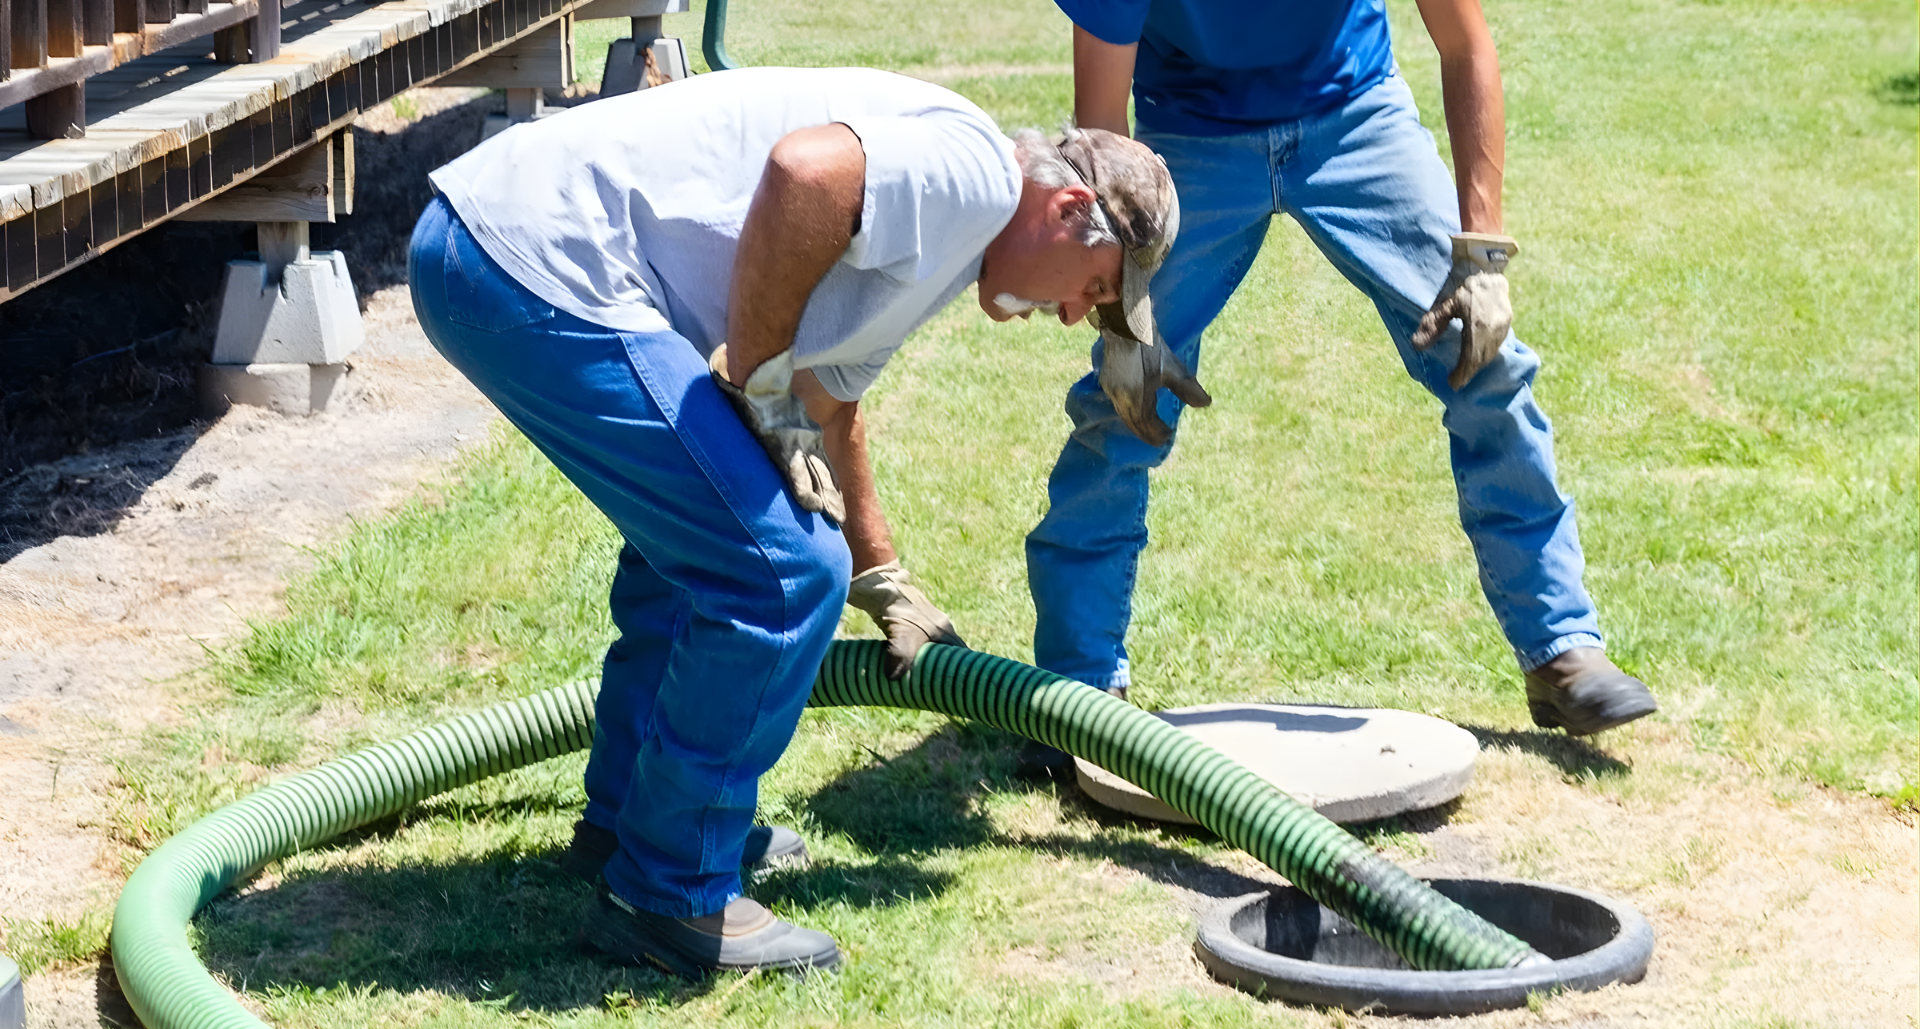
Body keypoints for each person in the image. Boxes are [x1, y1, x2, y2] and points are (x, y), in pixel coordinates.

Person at [409, 66, 1180, 975]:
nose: (1066, 315)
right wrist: (755, 379)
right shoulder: (976, 172)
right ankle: (671, 887)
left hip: (495, 241)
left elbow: (827, 404)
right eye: (1091, 288)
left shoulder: (953, 237)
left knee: (701, 550)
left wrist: (880, 573)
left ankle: (627, 822)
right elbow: (807, 173)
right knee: (776, 572)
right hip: (532, 258)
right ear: (1068, 208)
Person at [1021, 0, 1656, 772]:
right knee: (1124, 400)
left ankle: (1564, 652)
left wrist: (1481, 253)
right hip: (1189, 139)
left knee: (1486, 362)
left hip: (1354, 114)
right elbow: (1104, 142)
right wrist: (1124, 317)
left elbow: (1466, 45)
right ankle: (1078, 692)